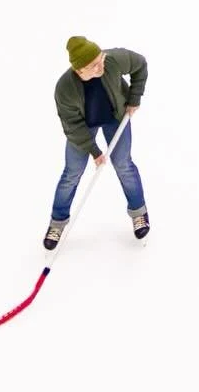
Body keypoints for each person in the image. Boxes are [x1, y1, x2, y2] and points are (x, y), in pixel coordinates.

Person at [46, 38, 149, 251]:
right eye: (93, 65)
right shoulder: (64, 89)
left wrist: (134, 98)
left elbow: (140, 64)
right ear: (79, 70)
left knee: (123, 164)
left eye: (100, 59)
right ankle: (57, 223)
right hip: (84, 125)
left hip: (115, 116)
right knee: (72, 172)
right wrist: (94, 151)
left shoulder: (112, 60)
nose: (101, 66)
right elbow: (73, 127)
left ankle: (139, 213)